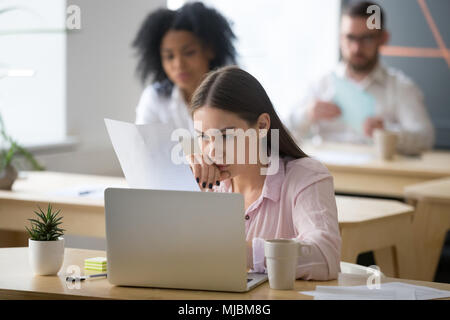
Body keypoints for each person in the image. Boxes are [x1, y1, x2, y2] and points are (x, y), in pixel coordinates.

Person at [187, 66, 341, 280]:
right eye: (204, 136)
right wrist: (178, 183)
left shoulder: (305, 176)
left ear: (261, 126)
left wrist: (240, 252)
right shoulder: (203, 183)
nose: (213, 151)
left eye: (226, 136)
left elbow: (326, 257)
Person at [287, 1, 434, 155]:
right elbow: (278, 134)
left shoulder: (401, 87)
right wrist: (307, 114)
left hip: (378, 175)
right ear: (340, 38)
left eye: (367, 38)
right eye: (350, 38)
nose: (357, 48)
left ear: (383, 38)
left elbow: (425, 138)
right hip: (326, 171)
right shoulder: (320, 84)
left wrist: (387, 133)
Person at [132, 2, 237, 131]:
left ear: (210, 50)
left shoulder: (235, 96)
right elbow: (142, 148)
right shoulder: (155, 98)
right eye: (169, 56)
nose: (179, 64)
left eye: (189, 53)